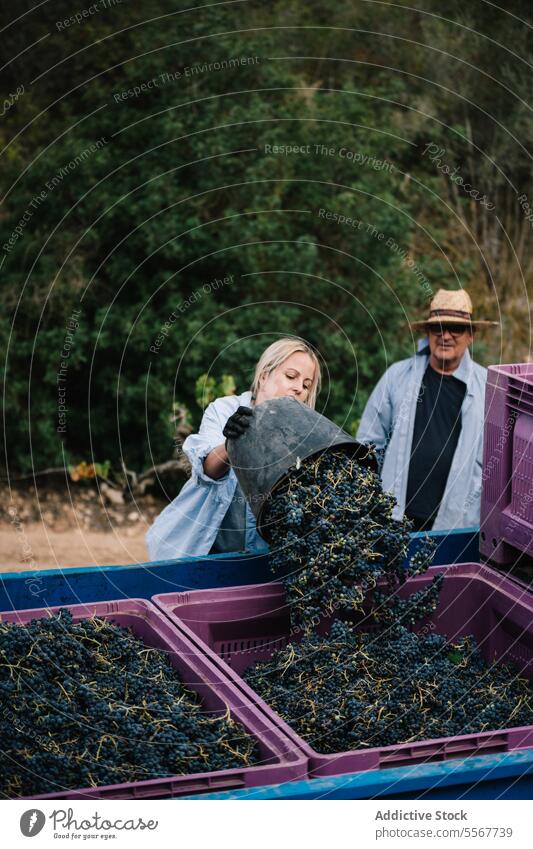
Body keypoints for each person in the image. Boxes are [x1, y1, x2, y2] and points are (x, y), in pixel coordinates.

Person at [146, 337, 321, 560]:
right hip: (199, 550)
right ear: (264, 375)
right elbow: (208, 470)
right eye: (291, 376)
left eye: (306, 385)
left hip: (257, 561)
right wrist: (232, 442)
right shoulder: (223, 410)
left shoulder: (304, 436)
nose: (298, 388)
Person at [357, 289, 498, 530]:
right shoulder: (396, 377)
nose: (445, 335)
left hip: (456, 527)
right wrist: (365, 506)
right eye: (437, 328)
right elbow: (368, 446)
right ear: (427, 332)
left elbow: (498, 464)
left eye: (456, 328)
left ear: (471, 335)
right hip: (392, 521)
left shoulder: (489, 389)